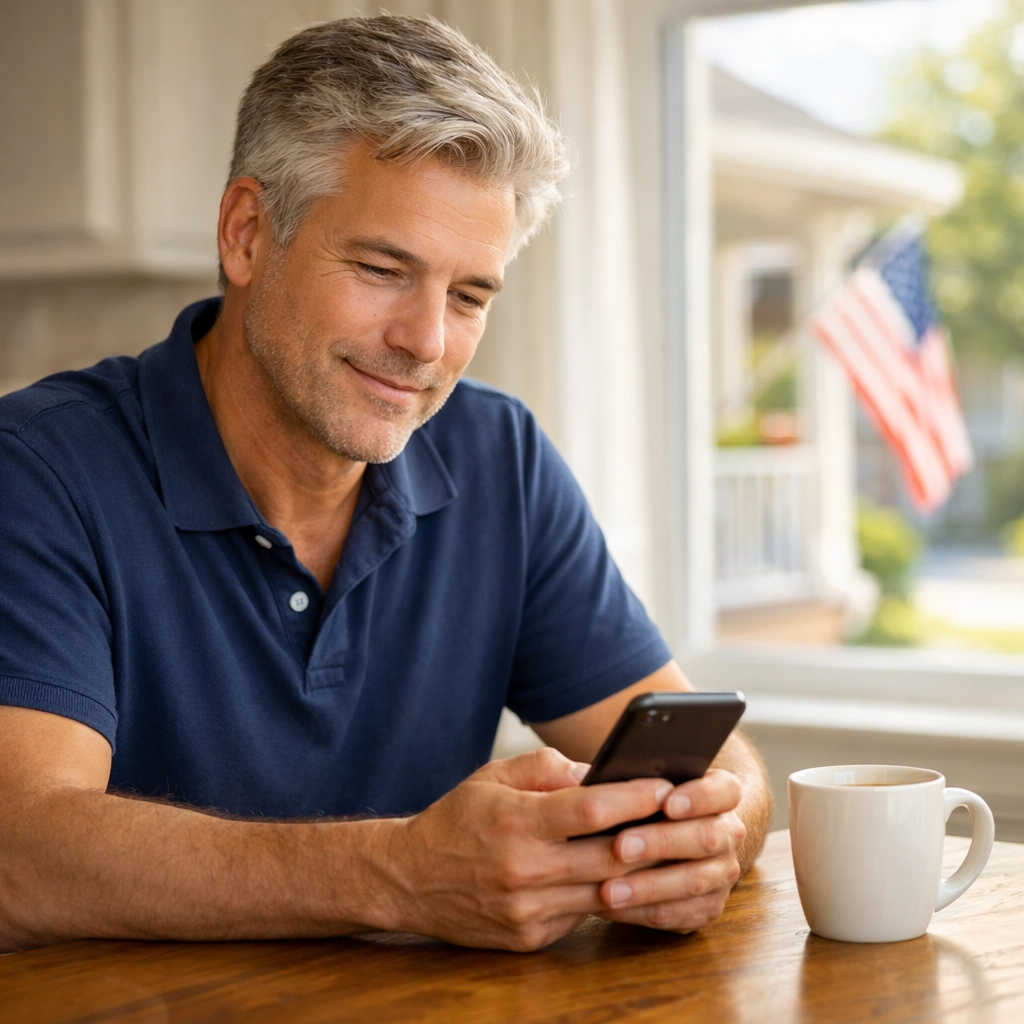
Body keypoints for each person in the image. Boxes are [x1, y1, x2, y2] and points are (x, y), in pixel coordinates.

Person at [0, 15, 771, 953]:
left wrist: (708, 838)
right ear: (247, 234)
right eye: (380, 269)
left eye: (470, 295)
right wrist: (402, 874)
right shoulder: (37, 470)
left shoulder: (500, 458)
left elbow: (718, 759)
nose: (426, 342)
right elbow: (22, 853)